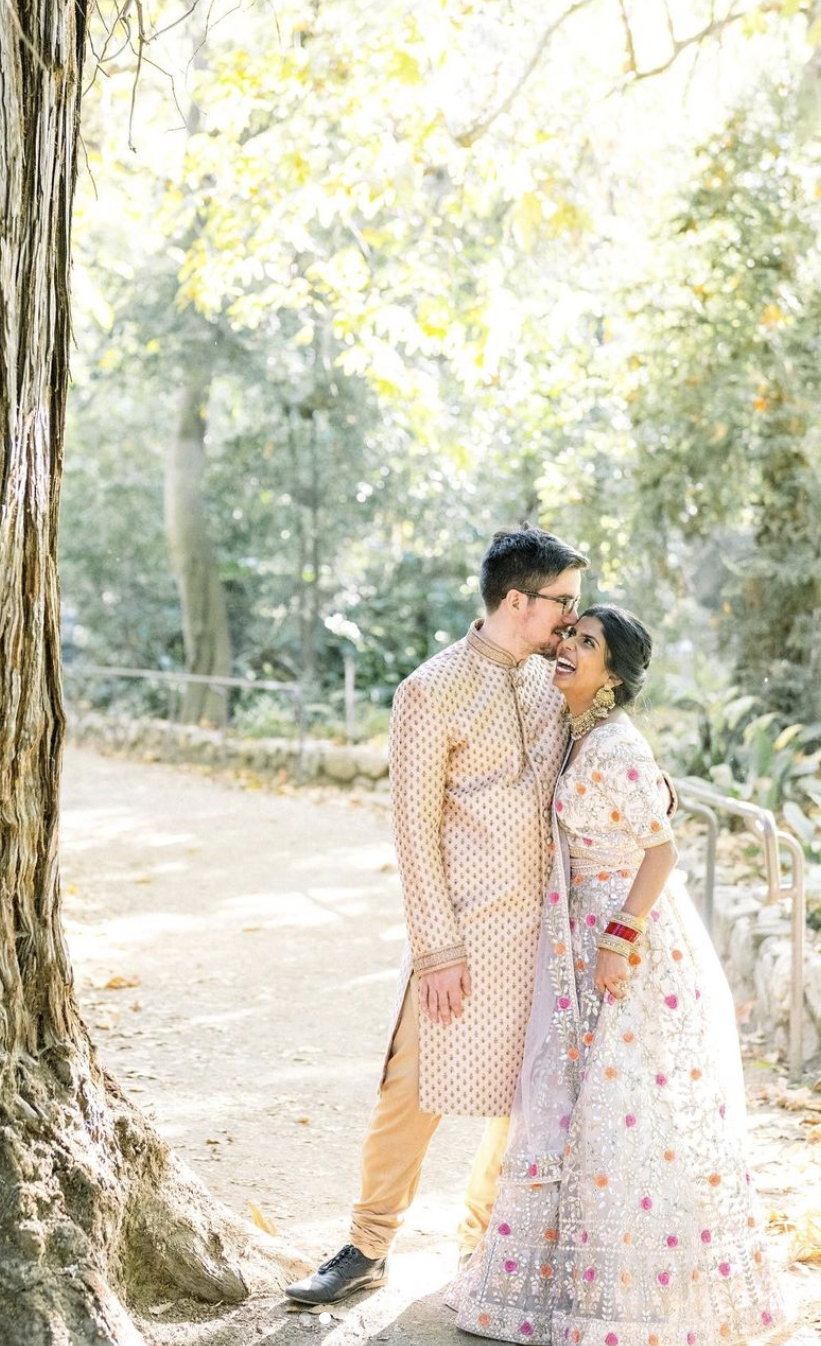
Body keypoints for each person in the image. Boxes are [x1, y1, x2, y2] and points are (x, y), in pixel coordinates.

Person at [453, 606, 787, 1345]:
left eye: (587, 642)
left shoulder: (616, 746)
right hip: (576, 936)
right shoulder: (576, 735)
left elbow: (660, 851)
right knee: (574, 1103)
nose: (568, 647)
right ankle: (555, 1287)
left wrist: (618, 940)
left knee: (626, 1113)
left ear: (616, 673)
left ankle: (639, 1299)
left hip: (624, 948)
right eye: (568, 635)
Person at [286, 526, 590, 1306]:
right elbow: (412, 832)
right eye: (563, 603)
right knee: (409, 1084)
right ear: (515, 599)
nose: (570, 620)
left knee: (529, 1097)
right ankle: (367, 1244)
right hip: (462, 933)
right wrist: (436, 951)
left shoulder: (549, 683)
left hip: (544, 932)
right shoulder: (430, 690)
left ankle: (487, 1244)